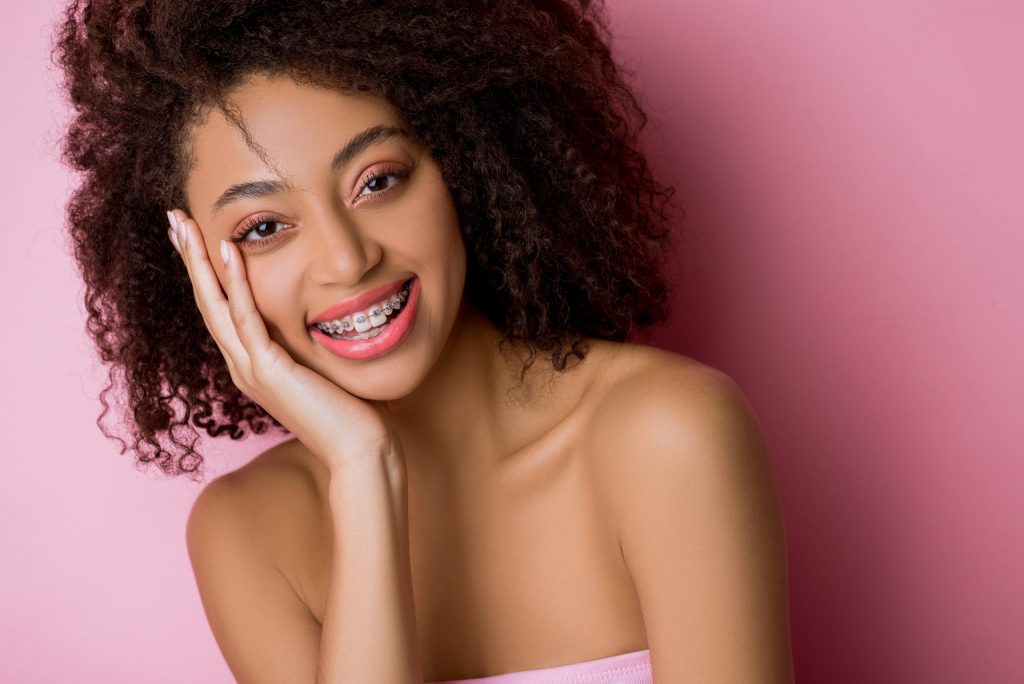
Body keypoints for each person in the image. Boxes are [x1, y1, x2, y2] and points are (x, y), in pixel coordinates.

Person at [53, 1, 794, 681]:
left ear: (464, 163)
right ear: (203, 274)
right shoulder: (249, 533)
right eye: (265, 228)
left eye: (378, 181)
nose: (347, 260)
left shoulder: (666, 433)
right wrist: (363, 467)